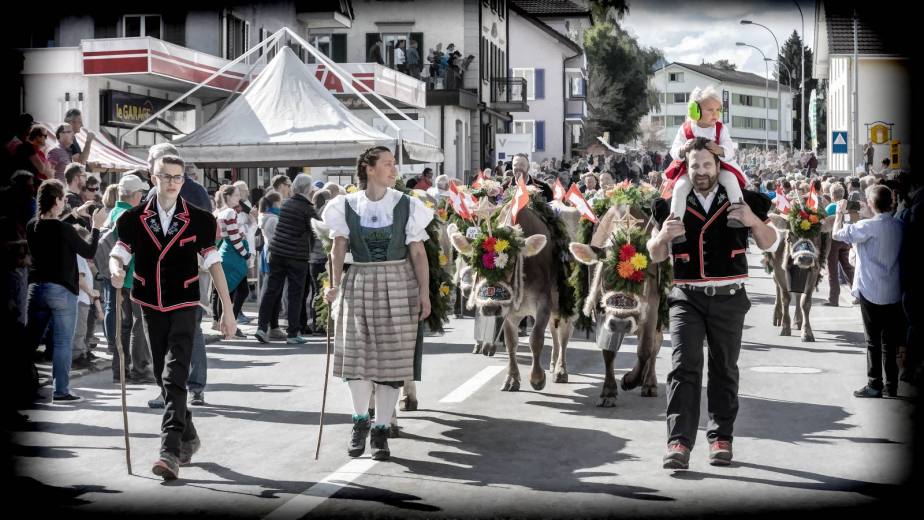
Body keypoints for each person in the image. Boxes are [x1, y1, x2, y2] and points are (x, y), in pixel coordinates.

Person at [648, 138, 778, 469]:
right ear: (687, 169)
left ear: (718, 167)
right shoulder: (669, 205)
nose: (702, 171)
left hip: (729, 296)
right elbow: (656, 254)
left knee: (724, 368)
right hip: (686, 297)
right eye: (695, 166)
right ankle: (678, 442)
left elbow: (769, 243)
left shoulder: (743, 200)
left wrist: (752, 220)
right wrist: (663, 236)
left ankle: (721, 437)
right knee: (683, 365)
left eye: (707, 165)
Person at [109, 152, 237, 480]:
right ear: (153, 178)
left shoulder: (200, 219)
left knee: (174, 374)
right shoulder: (133, 219)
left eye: (177, 177)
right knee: (160, 376)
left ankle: (169, 449)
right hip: (149, 304)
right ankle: (189, 435)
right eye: (165, 176)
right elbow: (119, 252)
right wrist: (116, 269)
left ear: (183, 179)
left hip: (183, 303)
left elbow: (213, 263)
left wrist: (228, 310)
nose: (171, 183)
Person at [322, 146, 433, 460]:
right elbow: (337, 248)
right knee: (358, 357)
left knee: (391, 360)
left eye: (393, 164)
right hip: (359, 282)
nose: (393, 169)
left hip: (399, 284)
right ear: (369, 169)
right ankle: (360, 421)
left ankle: (381, 430)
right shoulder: (345, 205)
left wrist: (424, 293)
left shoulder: (407, 205)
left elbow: (418, 254)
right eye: (387, 164)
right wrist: (334, 285)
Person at [26, 179, 107, 402]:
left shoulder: (32, 226)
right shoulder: (64, 229)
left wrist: (74, 215)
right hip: (62, 290)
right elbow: (89, 249)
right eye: (62, 199)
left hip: (36, 289)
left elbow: (53, 227)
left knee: (30, 342)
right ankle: (60, 390)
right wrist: (97, 226)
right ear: (55, 202)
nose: (65, 203)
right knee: (63, 343)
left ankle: (21, 387)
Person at [833, 184, 903, 398]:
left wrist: (839, 213)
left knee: (873, 340)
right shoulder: (899, 225)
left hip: (870, 288)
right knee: (889, 342)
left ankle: (874, 384)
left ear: (871, 204)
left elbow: (837, 234)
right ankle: (892, 385)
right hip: (892, 289)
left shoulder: (866, 226)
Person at [663, 86, 746, 227]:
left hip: (719, 167)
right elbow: (674, 150)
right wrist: (683, 149)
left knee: (731, 179)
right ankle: (675, 223)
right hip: (691, 170)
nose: (716, 114)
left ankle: (738, 214)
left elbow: (730, 150)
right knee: (680, 188)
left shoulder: (721, 128)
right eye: (710, 110)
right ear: (695, 110)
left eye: (718, 110)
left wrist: (719, 149)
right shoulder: (685, 128)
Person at [102, 173, 156, 385]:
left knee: (123, 327)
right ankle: (139, 369)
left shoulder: (112, 213)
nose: (142, 197)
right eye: (141, 193)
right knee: (140, 326)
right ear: (133, 195)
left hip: (117, 277)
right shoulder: (130, 216)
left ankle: (121, 371)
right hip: (132, 278)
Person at [253, 174, 319, 344]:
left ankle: (261, 327)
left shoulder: (287, 203)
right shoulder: (308, 208)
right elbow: (318, 230)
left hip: (276, 252)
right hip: (297, 256)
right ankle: (292, 333)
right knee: (295, 294)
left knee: (271, 290)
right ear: (308, 189)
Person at [216, 185, 250, 336]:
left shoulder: (223, 212)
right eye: (236, 195)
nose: (239, 198)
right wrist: (245, 253)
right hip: (232, 253)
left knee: (229, 290)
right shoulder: (230, 212)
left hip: (227, 251)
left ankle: (227, 323)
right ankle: (230, 324)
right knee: (238, 290)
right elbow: (234, 237)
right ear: (228, 196)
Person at [256, 191, 286, 340]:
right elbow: (278, 238)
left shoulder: (266, 216)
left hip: (268, 253)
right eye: (280, 203)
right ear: (275, 203)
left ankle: (273, 326)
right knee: (271, 291)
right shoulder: (273, 219)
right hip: (275, 254)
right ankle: (266, 326)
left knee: (273, 291)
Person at [824, 183, 854, 306]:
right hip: (846, 239)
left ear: (832, 195)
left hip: (833, 241)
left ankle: (833, 299)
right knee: (848, 268)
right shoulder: (848, 205)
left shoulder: (831, 206)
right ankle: (858, 294)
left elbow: (824, 223)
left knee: (832, 271)